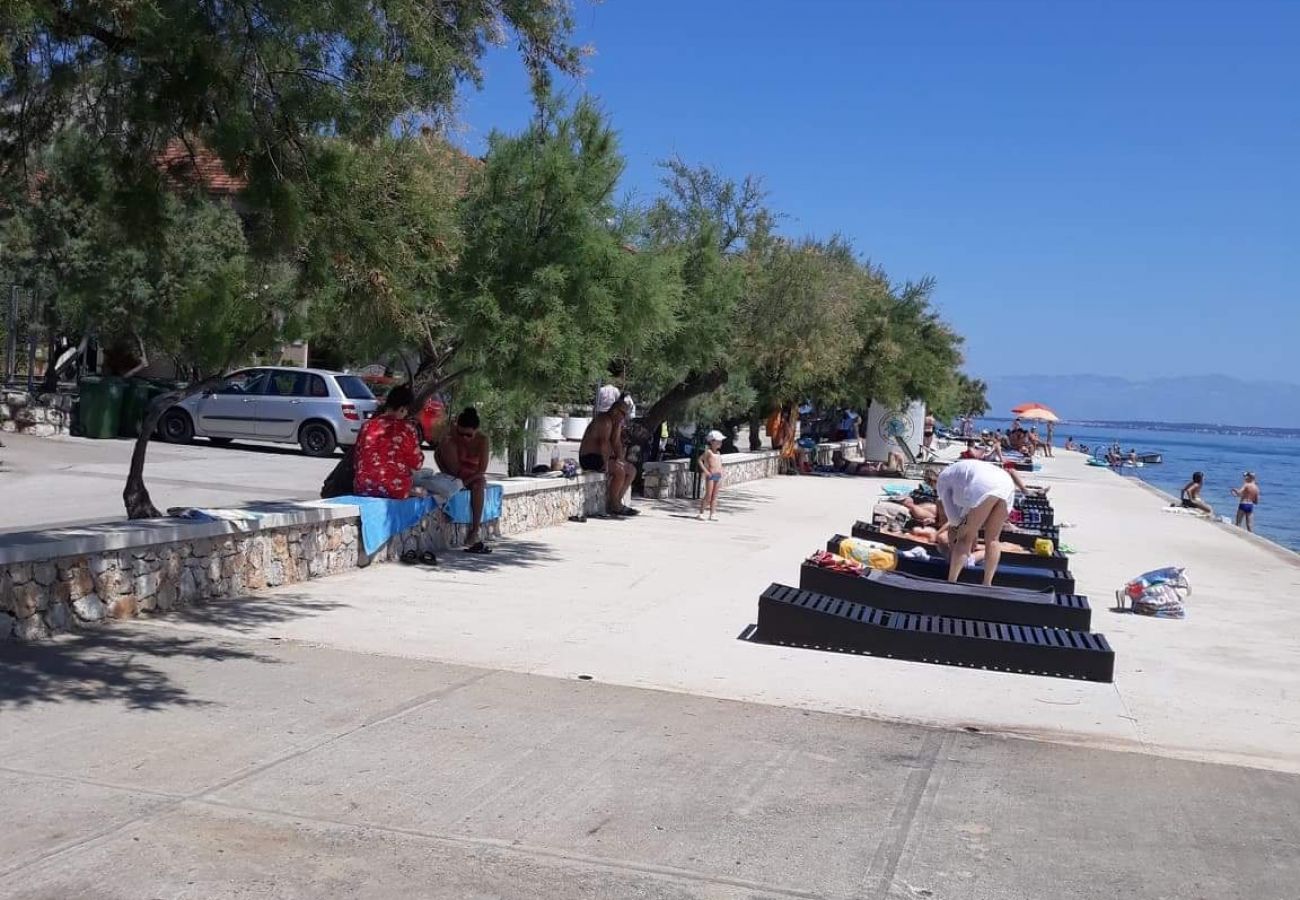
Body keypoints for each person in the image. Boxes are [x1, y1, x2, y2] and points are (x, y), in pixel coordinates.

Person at [934, 458, 1017, 585]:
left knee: (964, 538)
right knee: (993, 539)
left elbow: (953, 520)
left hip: (983, 483)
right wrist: (972, 528)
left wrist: (960, 538)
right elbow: (969, 511)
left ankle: (951, 582)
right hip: (1006, 482)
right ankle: (987, 584)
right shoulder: (957, 474)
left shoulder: (942, 481)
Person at [434, 407, 492, 553]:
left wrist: (465, 482)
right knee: (447, 443)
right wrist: (447, 472)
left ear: (476, 430)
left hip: (472, 475)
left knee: (479, 486)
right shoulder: (451, 435)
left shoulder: (482, 441)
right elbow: (437, 454)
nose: (464, 438)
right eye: (461, 433)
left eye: (468, 435)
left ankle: (475, 529)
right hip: (453, 472)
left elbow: (481, 471)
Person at [352, 385, 424, 499]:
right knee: (422, 491)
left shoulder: (367, 426)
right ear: (402, 408)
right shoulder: (406, 429)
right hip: (395, 489)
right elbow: (417, 463)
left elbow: (357, 459)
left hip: (363, 487)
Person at [579, 395, 638, 517]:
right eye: (623, 414)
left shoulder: (615, 423)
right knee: (619, 471)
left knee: (631, 470)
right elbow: (603, 444)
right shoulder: (604, 421)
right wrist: (605, 464)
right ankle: (614, 504)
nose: (624, 418)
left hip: (602, 456)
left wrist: (621, 459)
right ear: (616, 411)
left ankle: (617, 502)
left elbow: (616, 443)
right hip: (591, 457)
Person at [697, 430, 724, 520]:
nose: (720, 443)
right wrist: (706, 471)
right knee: (708, 495)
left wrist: (722, 472)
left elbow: (719, 464)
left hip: (718, 476)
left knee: (715, 496)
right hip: (711, 476)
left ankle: (712, 514)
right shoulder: (708, 452)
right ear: (712, 442)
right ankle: (701, 513)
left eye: (721, 441)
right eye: (718, 441)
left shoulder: (718, 453)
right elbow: (700, 460)